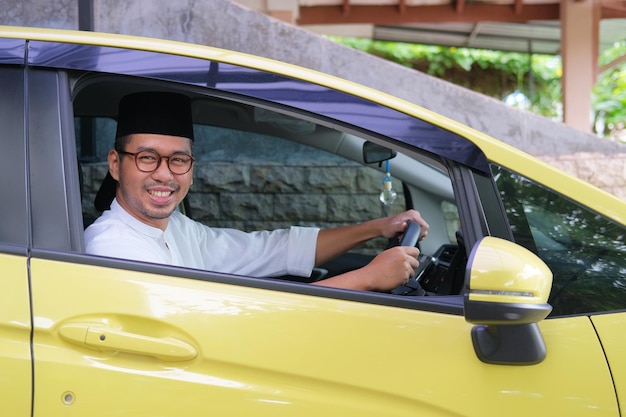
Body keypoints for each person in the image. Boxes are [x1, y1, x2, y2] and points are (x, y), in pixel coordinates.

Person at [84, 91, 429, 292]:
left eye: (178, 159)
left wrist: (379, 227)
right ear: (115, 164)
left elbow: (271, 249)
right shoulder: (113, 245)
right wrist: (367, 278)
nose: (164, 174)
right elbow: (213, 325)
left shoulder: (178, 229)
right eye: (147, 158)